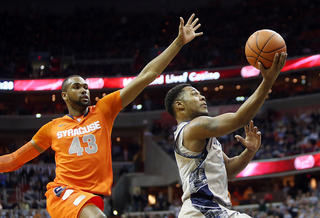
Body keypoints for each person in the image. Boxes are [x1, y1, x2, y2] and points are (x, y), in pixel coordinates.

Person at [0, 14, 203, 218]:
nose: (84, 90)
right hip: (63, 193)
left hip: (92, 197)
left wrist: (178, 42)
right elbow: (15, 159)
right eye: (77, 87)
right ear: (64, 95)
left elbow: (146, 75)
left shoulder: (103, 110)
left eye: (86, 87)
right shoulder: (52, 128)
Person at [164, 52, 287, 217]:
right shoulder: (192, 128)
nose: (202, 96)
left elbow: (229, 171)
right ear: (179, 105)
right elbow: (240, 118)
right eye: (194, 94)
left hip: (210, 210)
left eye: (200, 93)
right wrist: (268, 81)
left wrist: (250, 151)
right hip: (202, 209)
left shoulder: (201, 135)